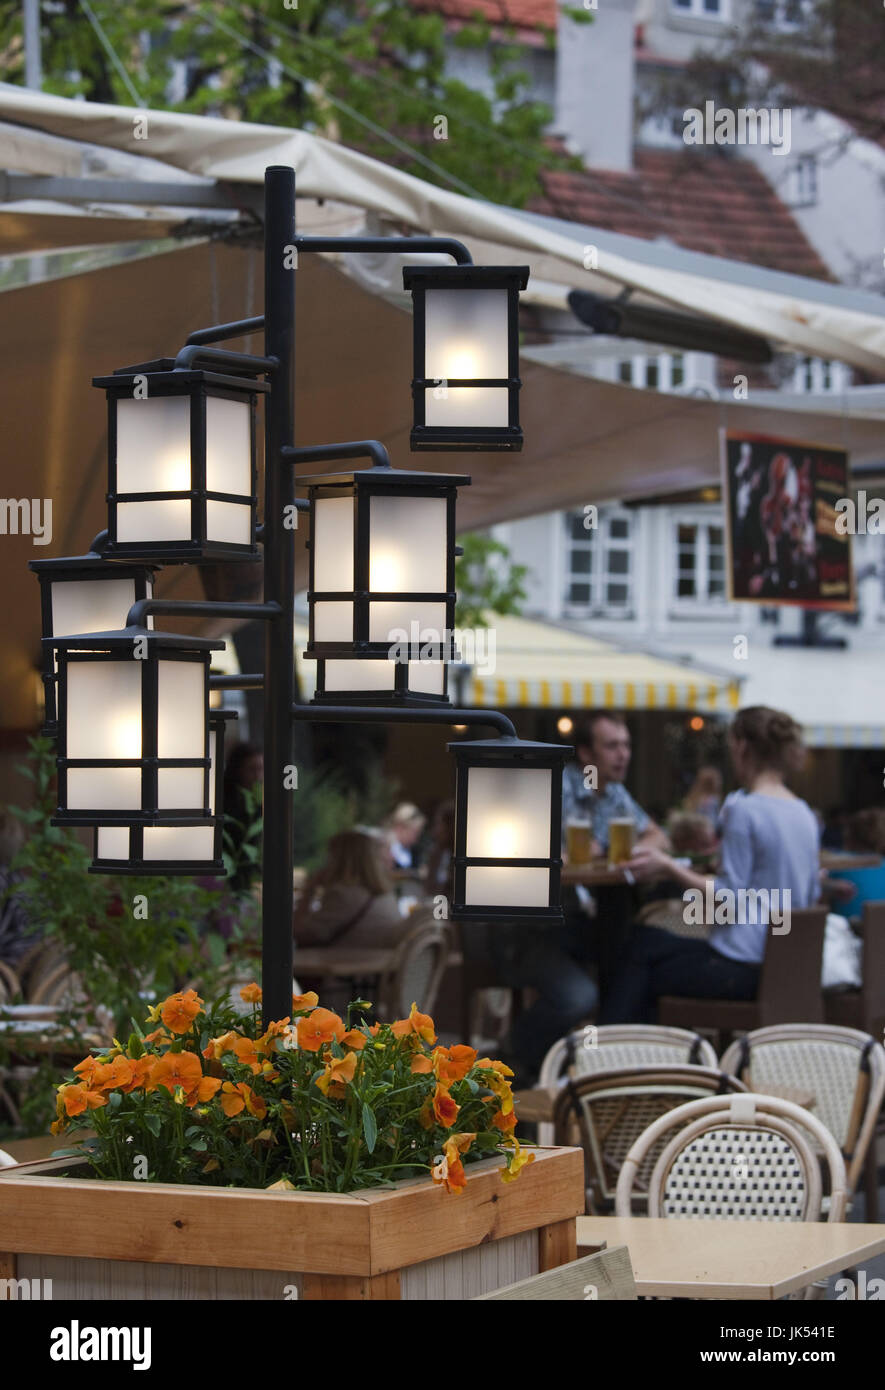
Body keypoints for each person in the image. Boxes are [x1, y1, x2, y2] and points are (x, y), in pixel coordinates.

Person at [600, 706, 820, 1024]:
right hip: (784, 971)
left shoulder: (744, 809)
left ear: (742, 746)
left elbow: (727, 899)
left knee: (638, 955)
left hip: (741, 967)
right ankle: (636, 1054)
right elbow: (808, 893)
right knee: (646, 944)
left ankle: (607, 1052)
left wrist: (668, 866)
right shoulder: (803, 812)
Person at [561, 712, 668, 856]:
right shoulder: (558, 787)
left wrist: (620, 853)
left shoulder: (614, 790)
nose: (623, 754)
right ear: (585, 753)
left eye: (626, 745)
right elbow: (531, 853)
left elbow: (660, 838)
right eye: (612, 746)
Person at [293, 829, 407, 950]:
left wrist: (310, 889)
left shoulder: (343, 895)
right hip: (378, 964)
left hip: (347, 965)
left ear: (339, 859)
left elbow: (299, 933)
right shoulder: (385, 894)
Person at [824, 808, 885, 919]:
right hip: (879, 932)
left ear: (849, 833)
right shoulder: (880, 863)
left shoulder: (840, 865)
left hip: (849, 931)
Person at [223, 743, 264, 893]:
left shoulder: (256, 801)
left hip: (243, 878)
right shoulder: (223, 801)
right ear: (238, 770)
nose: (258, 776)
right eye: (252, 769)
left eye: (261, 769)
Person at [384, 803, 427, 871]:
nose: (418, 837)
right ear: (400, 827)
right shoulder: (384, 848)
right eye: (415, 832)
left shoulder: (415, 853)